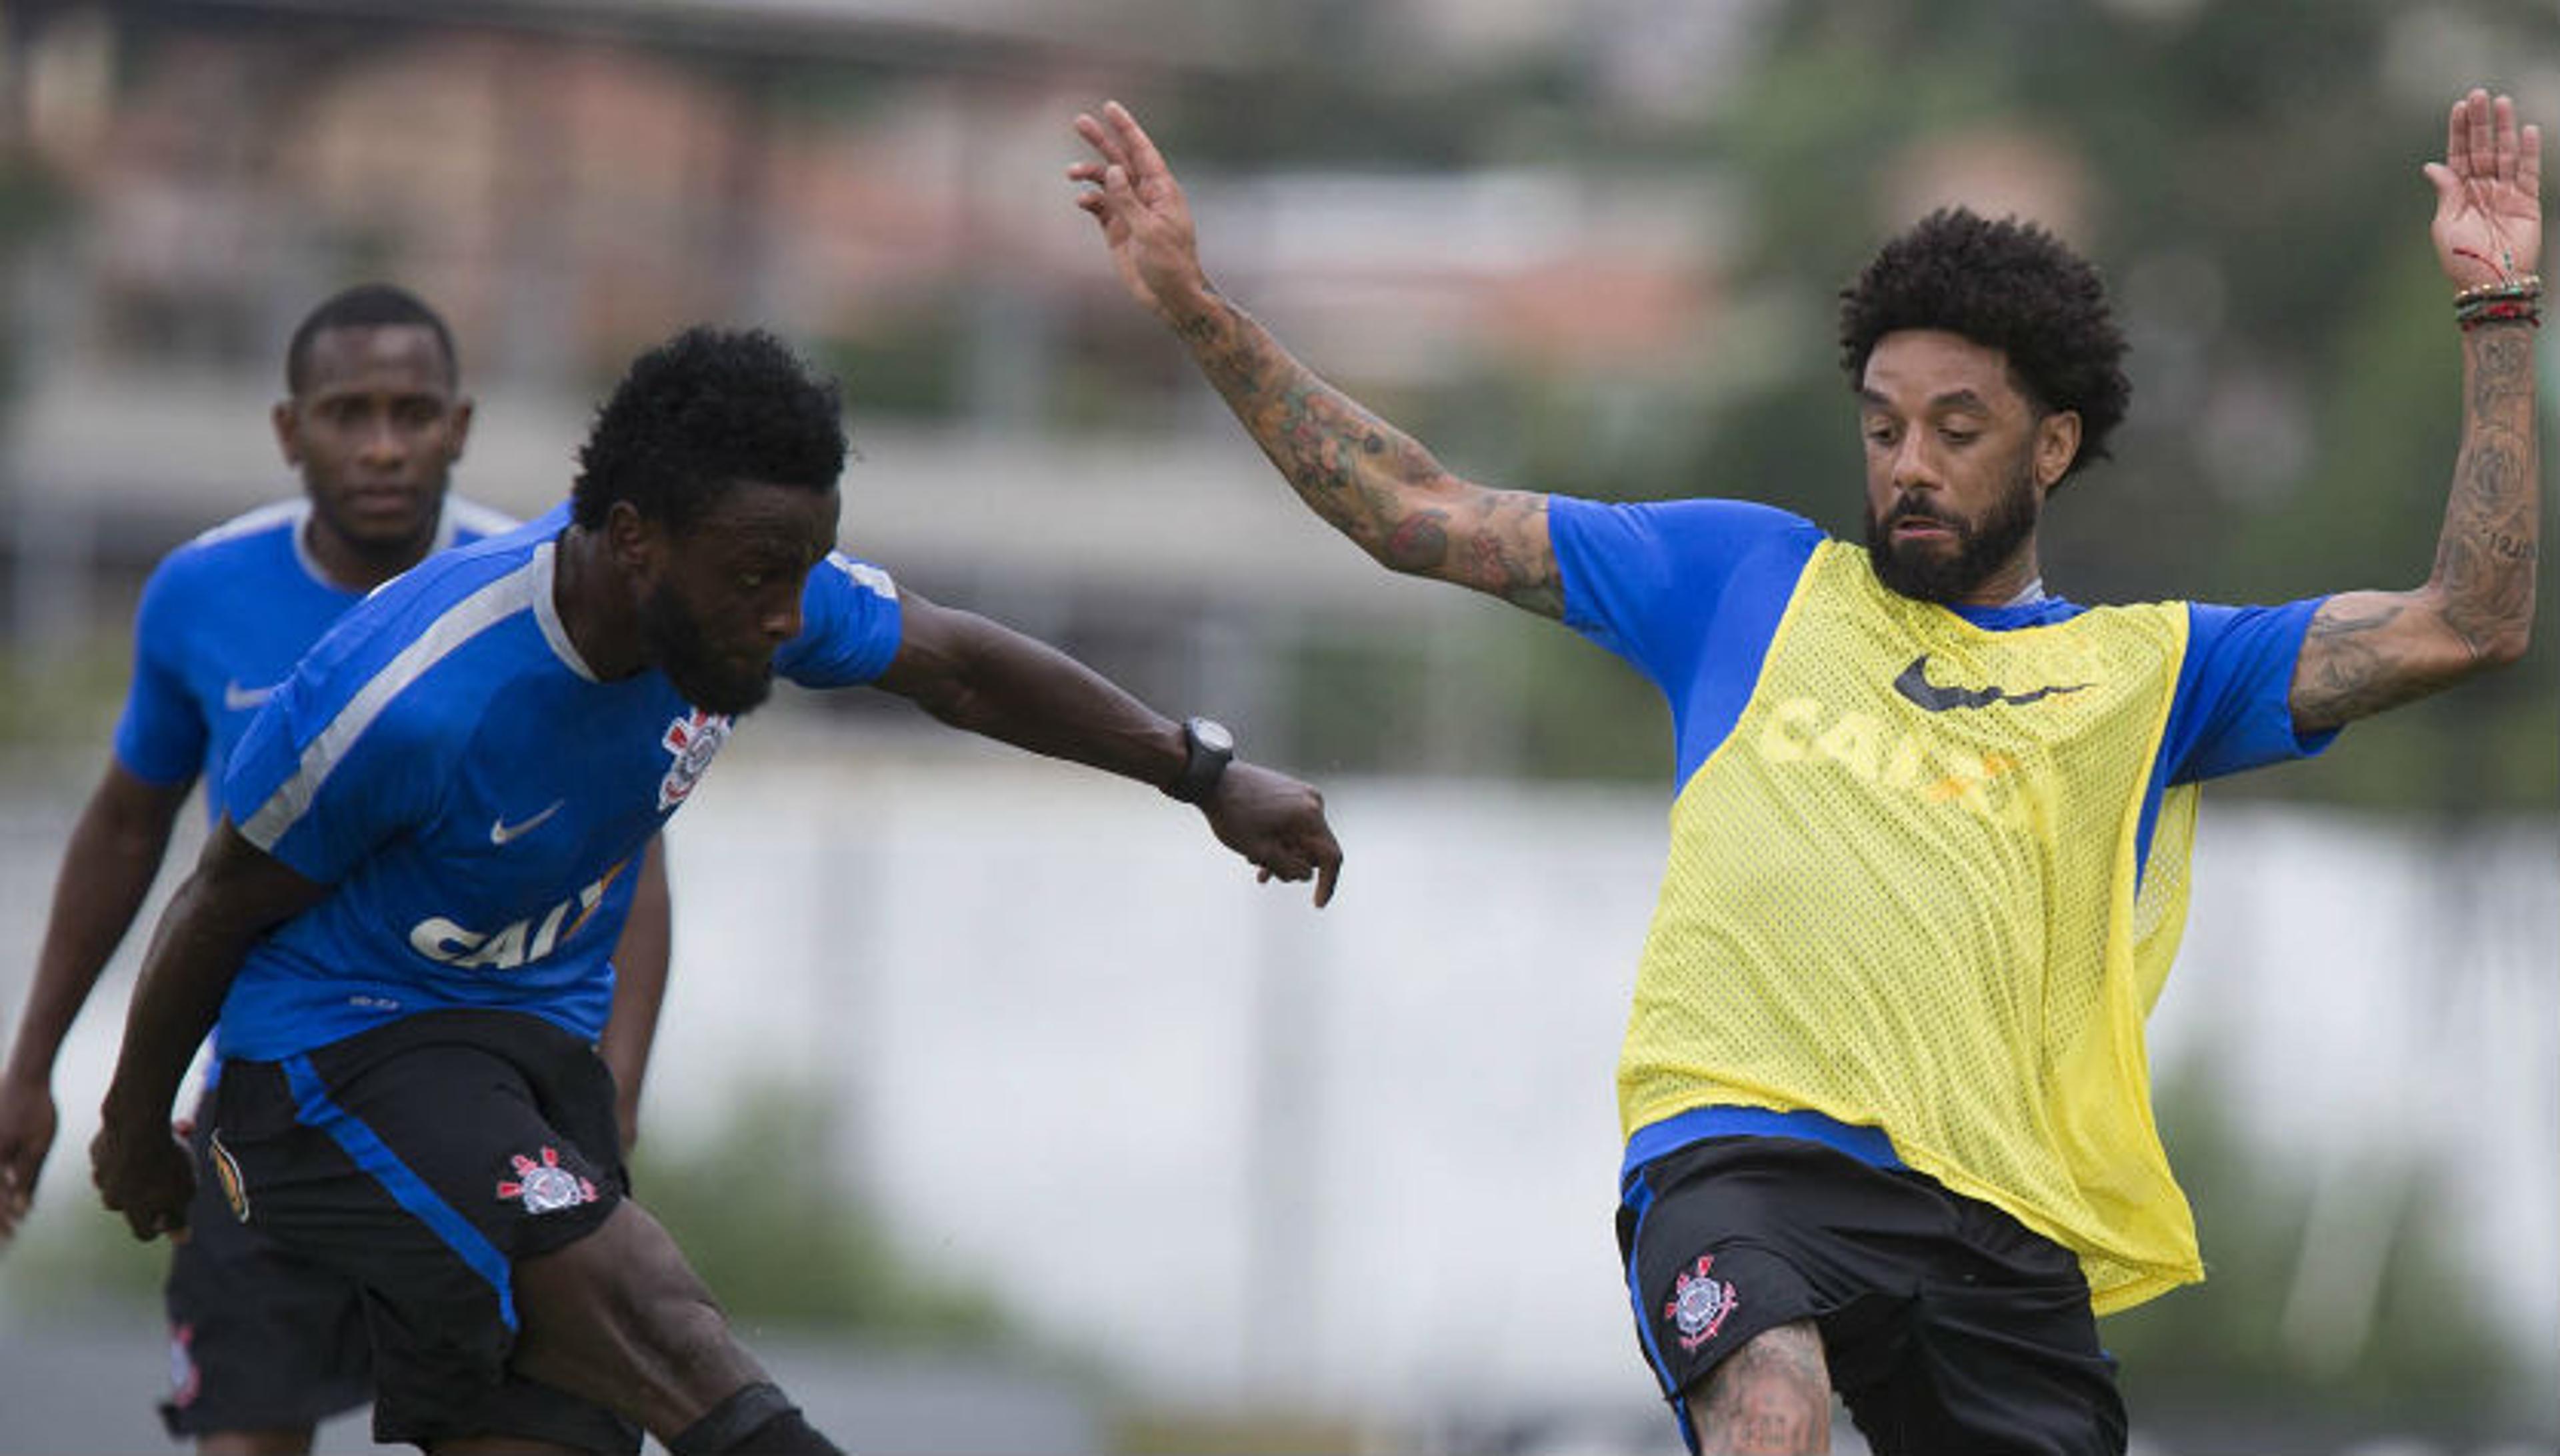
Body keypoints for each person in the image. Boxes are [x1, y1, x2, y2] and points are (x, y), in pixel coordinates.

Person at [1070, 87, 2539, 1453]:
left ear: (2053, 447)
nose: (1908, 462)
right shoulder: (1741, 579)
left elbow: (2470, 621)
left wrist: (2496, 312)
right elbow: (1413, 508)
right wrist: (1198, 310)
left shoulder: (2155, 672)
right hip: (1744, 1162)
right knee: (1772, 1412)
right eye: (1885, 426)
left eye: (1958, 431)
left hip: (1997, 1221)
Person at [89, 323, 1343, 1454]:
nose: (792, 616)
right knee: (665, 1326)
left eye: (809, 567)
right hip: (334, 1066)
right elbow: (214, 902)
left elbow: (961, 667)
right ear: (635, 541)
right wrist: (137, 1134)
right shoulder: (408, 695)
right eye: (759, 574)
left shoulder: (761, 598)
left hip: (527, 1066)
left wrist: (1201, 772)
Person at [0, 283, 675, 1454]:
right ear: (289, 429)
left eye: (412, 415)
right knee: (250, 1434)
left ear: (458, 430)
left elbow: (635, 868)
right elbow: (126, 833)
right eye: (347, 412)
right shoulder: (201, 594)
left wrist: (608, 1111)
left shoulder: (551, 594)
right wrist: (34, 1067)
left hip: (486, 1114)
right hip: (274, 1105)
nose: (381, 446)